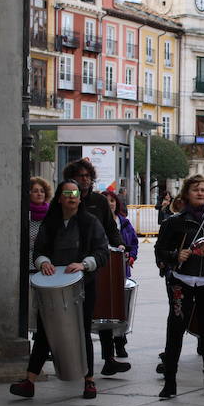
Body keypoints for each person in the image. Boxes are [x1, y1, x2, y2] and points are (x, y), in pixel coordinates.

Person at [10, 180, 109, 399]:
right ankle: (29, 381)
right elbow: (38, 251)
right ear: (59, 198)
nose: (72, 197)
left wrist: (84, 264)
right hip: (52, 288)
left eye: (75, 194)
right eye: (67, 193)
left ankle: (89, 381)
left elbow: (102, 252)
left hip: (83, 285)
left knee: (82, 330)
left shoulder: (90, 222)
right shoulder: (50, 222)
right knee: (44, 332)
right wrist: (44, 262)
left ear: (80, 198)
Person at [155, 174, 204, 398]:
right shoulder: (174, 221)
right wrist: (175, 255)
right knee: (175, 329)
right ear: (186, 194)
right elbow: (159, 251)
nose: (200, 193)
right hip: (181, 281)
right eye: (196, 189)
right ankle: (170, 381)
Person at [62, 159, 130, 377]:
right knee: (74, 314)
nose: (85, 179)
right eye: (80, 176)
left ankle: (109, 359)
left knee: (104, 309)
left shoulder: (99, 201)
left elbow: (111, 228)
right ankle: (73, 359)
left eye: (88, 176)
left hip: (96, 261)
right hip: (70, 265)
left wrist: (120, 244)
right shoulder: (64, 198)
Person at [102, 189, 138, 358]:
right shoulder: (96, 222)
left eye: (112, 200)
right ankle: (108, 349)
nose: (110, 203)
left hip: (121, 271)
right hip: (102, 272)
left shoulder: (124, 222)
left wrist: (132, 256)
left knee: (121, 308)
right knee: (105, 311)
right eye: (106, 200)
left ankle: (120, 343)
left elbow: (134, 243)